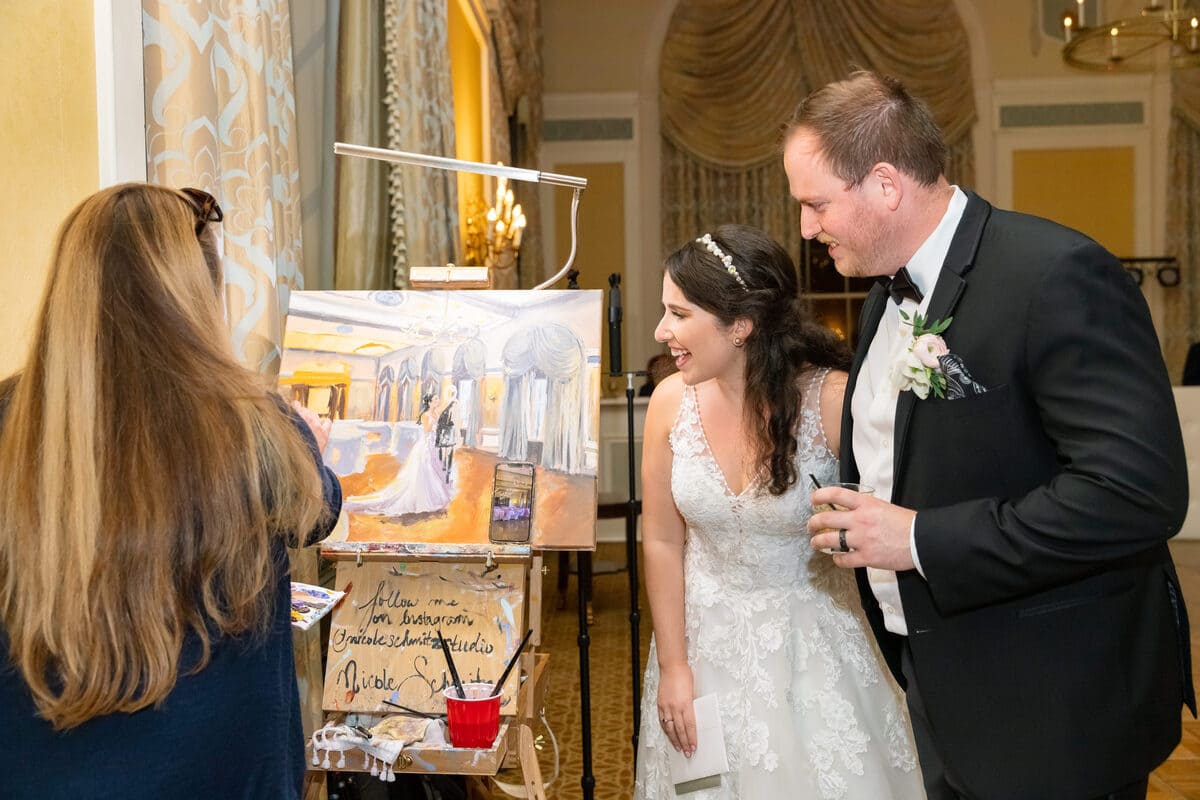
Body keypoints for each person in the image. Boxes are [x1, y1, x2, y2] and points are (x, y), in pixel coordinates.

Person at [787, 71, 1194, 800]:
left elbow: (1136, 495)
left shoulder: (1055, 275)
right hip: (940, 689)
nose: (807, 228)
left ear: (884, 185)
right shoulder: (884, 298)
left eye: (816, 204)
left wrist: (916, 539)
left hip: (1054, 708)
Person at [0, 183, 343, 799]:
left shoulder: (9, 421)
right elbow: (318, 511)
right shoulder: (252, 425)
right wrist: (309, 444)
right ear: (198, 297)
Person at [634, 224, 924, 798]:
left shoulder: (833, 400)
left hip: (815, 653)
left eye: (679, 313)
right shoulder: (670, 403)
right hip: (698, 648)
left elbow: (899, 513)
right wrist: (674, 667)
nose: (662, 331)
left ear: (740, 326)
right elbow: (663, 542)